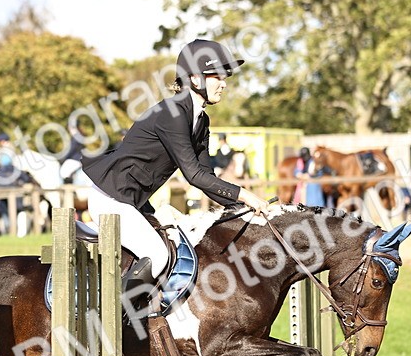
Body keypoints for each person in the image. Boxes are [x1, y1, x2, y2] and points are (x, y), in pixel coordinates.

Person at [82, 38, 270, 301]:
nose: (224, 83)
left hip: (135, 203)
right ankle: (107, 321)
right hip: (111, 200)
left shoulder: (201, 120)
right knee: (157, 256)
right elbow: (192, 174)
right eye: (217, 76)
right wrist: (245, 195)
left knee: (179, 247)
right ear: (195, 78)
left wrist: (244, 210)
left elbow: (207, 179)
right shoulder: (172, 113)